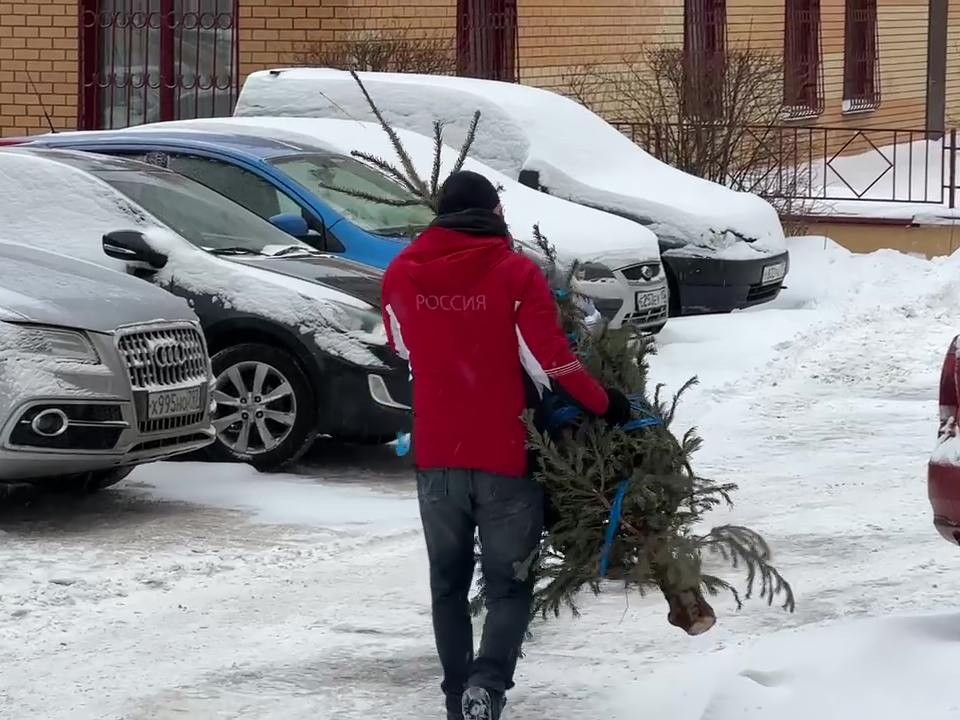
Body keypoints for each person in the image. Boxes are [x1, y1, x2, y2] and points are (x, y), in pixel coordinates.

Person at [381, 170, 631, 720]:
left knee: (447, 586)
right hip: (506, 455)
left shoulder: (401, 272)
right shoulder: (515, 272)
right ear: (494, 214)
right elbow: (553, 359)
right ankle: (487, 687)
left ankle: (455, 700)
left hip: (438, 457)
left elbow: (400, 346)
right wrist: (604, 404)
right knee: (508, 586)